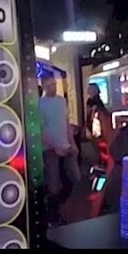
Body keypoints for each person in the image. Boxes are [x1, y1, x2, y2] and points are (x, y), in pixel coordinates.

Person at [39, 75, 81, 224]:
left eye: (54, 84)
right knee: (54, 184)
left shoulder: (61, 101)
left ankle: (64, 210)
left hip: (66, 146)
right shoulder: (39, 104)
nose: (53, 88)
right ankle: (54, 216)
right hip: (50, 149)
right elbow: (40, 130)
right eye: (49, 85)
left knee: (75, 178)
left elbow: (66, 123)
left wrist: (72, 144)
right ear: (44, 86)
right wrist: (54, 146)